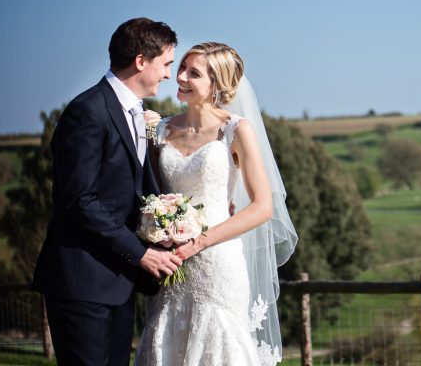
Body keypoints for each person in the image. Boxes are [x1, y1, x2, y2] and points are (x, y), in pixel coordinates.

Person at [134, 42, 297, 366]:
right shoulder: (161, 129)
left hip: (218, 263)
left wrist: (200, 242)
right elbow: (147, 194)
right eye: (180, 68)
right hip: (172, 262)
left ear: (217, 84)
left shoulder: (235, 130)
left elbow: (262, 206)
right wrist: (157, 229)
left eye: (193, 73)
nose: (179, 76)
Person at [33, 18, 183, 366]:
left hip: (118, 281)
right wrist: (139, 253)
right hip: (82, 282)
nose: (167, 75)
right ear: (141, 61)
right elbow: (78, 200)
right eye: (166, 64)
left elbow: (136, 191)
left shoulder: (136, 114)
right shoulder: (87, 111)